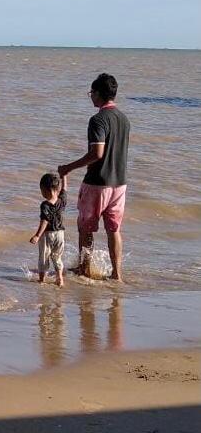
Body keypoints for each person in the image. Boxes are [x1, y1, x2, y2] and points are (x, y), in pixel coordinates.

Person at [58, 73, 130, 281]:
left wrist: (68, 168)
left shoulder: (98, 119)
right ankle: (117, 274)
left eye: (91, 92)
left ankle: (84, 268)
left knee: (86, 228)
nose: (90, 96)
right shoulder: (124, 119)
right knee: (113, 230)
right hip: (120, 183)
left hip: (97, 182)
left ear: (98, 94)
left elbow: (97, 153)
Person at [30, 172, 67, 287]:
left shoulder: (45, 205)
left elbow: (44, 221)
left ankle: (42, 279)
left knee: (44, 257)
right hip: (60, 234)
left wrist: (37, 235)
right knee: (57, 256)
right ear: (57, 188)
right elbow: (65, 188)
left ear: (45, 190)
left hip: (47, 235)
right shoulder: (62, 201)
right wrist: (64, 176)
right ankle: (59, 278)